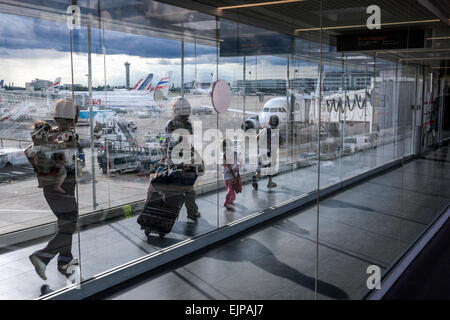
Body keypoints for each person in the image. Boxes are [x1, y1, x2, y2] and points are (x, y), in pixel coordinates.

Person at [26, 99, 80, 280]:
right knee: (69, 225)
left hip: (50, 186)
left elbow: (29, 151)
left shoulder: (47, 134)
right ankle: (42, 257)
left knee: (65, 225)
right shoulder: (70, 136)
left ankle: (65, 262)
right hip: (63, 187)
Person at [162, 98, 202, 223]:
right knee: (188, 188)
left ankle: (168, 213)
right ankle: (192, 212)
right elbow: (187, 143)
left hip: (171, 161)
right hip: (183, 161)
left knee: (174, 188)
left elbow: (166, 143)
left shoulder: (169, 123)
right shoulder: (187, 125)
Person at [252, 115, 279, 190]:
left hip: (261, 152)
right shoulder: (275, 133)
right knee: (271, 168)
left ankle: (255, 177)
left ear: (269, 122)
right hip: (269, 153)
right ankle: (270, 182)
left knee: (260, 167)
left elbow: (256, 138)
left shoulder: (264, 130)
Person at [222, 139, 241, 211]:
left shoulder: (223, 155)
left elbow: (225, 165)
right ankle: (227, 202)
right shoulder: (234, 153)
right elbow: (231, 165)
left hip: (225, 175)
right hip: (231, 175)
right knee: (230, 188)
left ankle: (231, 199)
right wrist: (234, 176)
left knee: (229, 188)